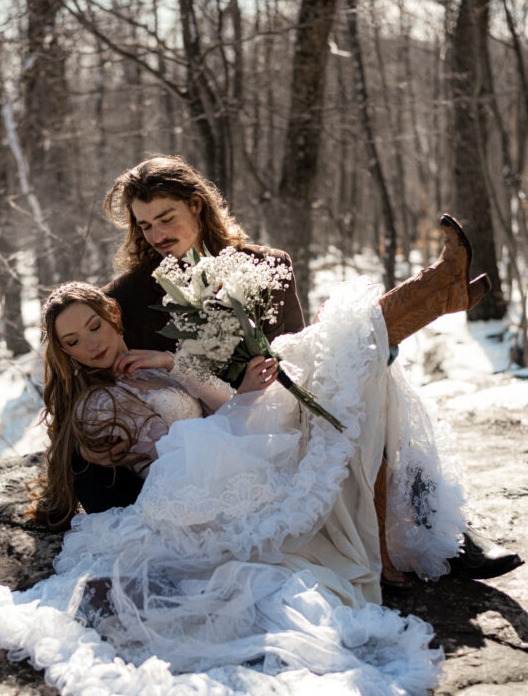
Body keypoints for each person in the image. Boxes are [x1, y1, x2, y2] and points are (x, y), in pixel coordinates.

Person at [0, 235, 498, 696]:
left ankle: (437, 291)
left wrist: (188, 369)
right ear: (63, 353)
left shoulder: (146, 362)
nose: (92, 344)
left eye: (94, 326)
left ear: (112, 317)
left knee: (318, 357)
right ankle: (438, 293)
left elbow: (221, 408)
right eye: (74, 341)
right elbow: (180, 455)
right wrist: (241, 409)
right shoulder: (97, 403)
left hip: (226, 452)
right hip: (200, 488)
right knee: (329, 366)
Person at [77, 155, 520, 582]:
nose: (156, 233)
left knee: (364, 371)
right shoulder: (127, 298)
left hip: (293, 401)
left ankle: (444, 531)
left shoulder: (269, 265)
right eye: (145, 224)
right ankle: (440, 294)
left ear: (196, 204)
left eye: (166, 217)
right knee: (366, 361)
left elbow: (297, 350)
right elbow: (111, 382)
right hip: (231, 438)